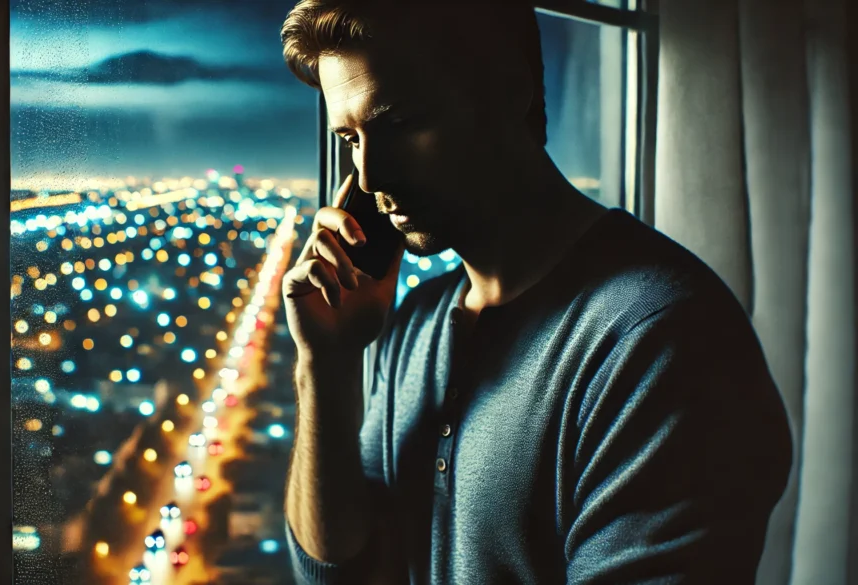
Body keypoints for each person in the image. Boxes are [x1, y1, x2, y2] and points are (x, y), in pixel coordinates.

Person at [277, 1, 793, 583]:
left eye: (399, 123)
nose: (370, 178)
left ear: (506, 91)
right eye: (350, 139)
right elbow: (343, 574)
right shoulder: (415, 325)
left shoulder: (665, 340)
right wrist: (323, 364)